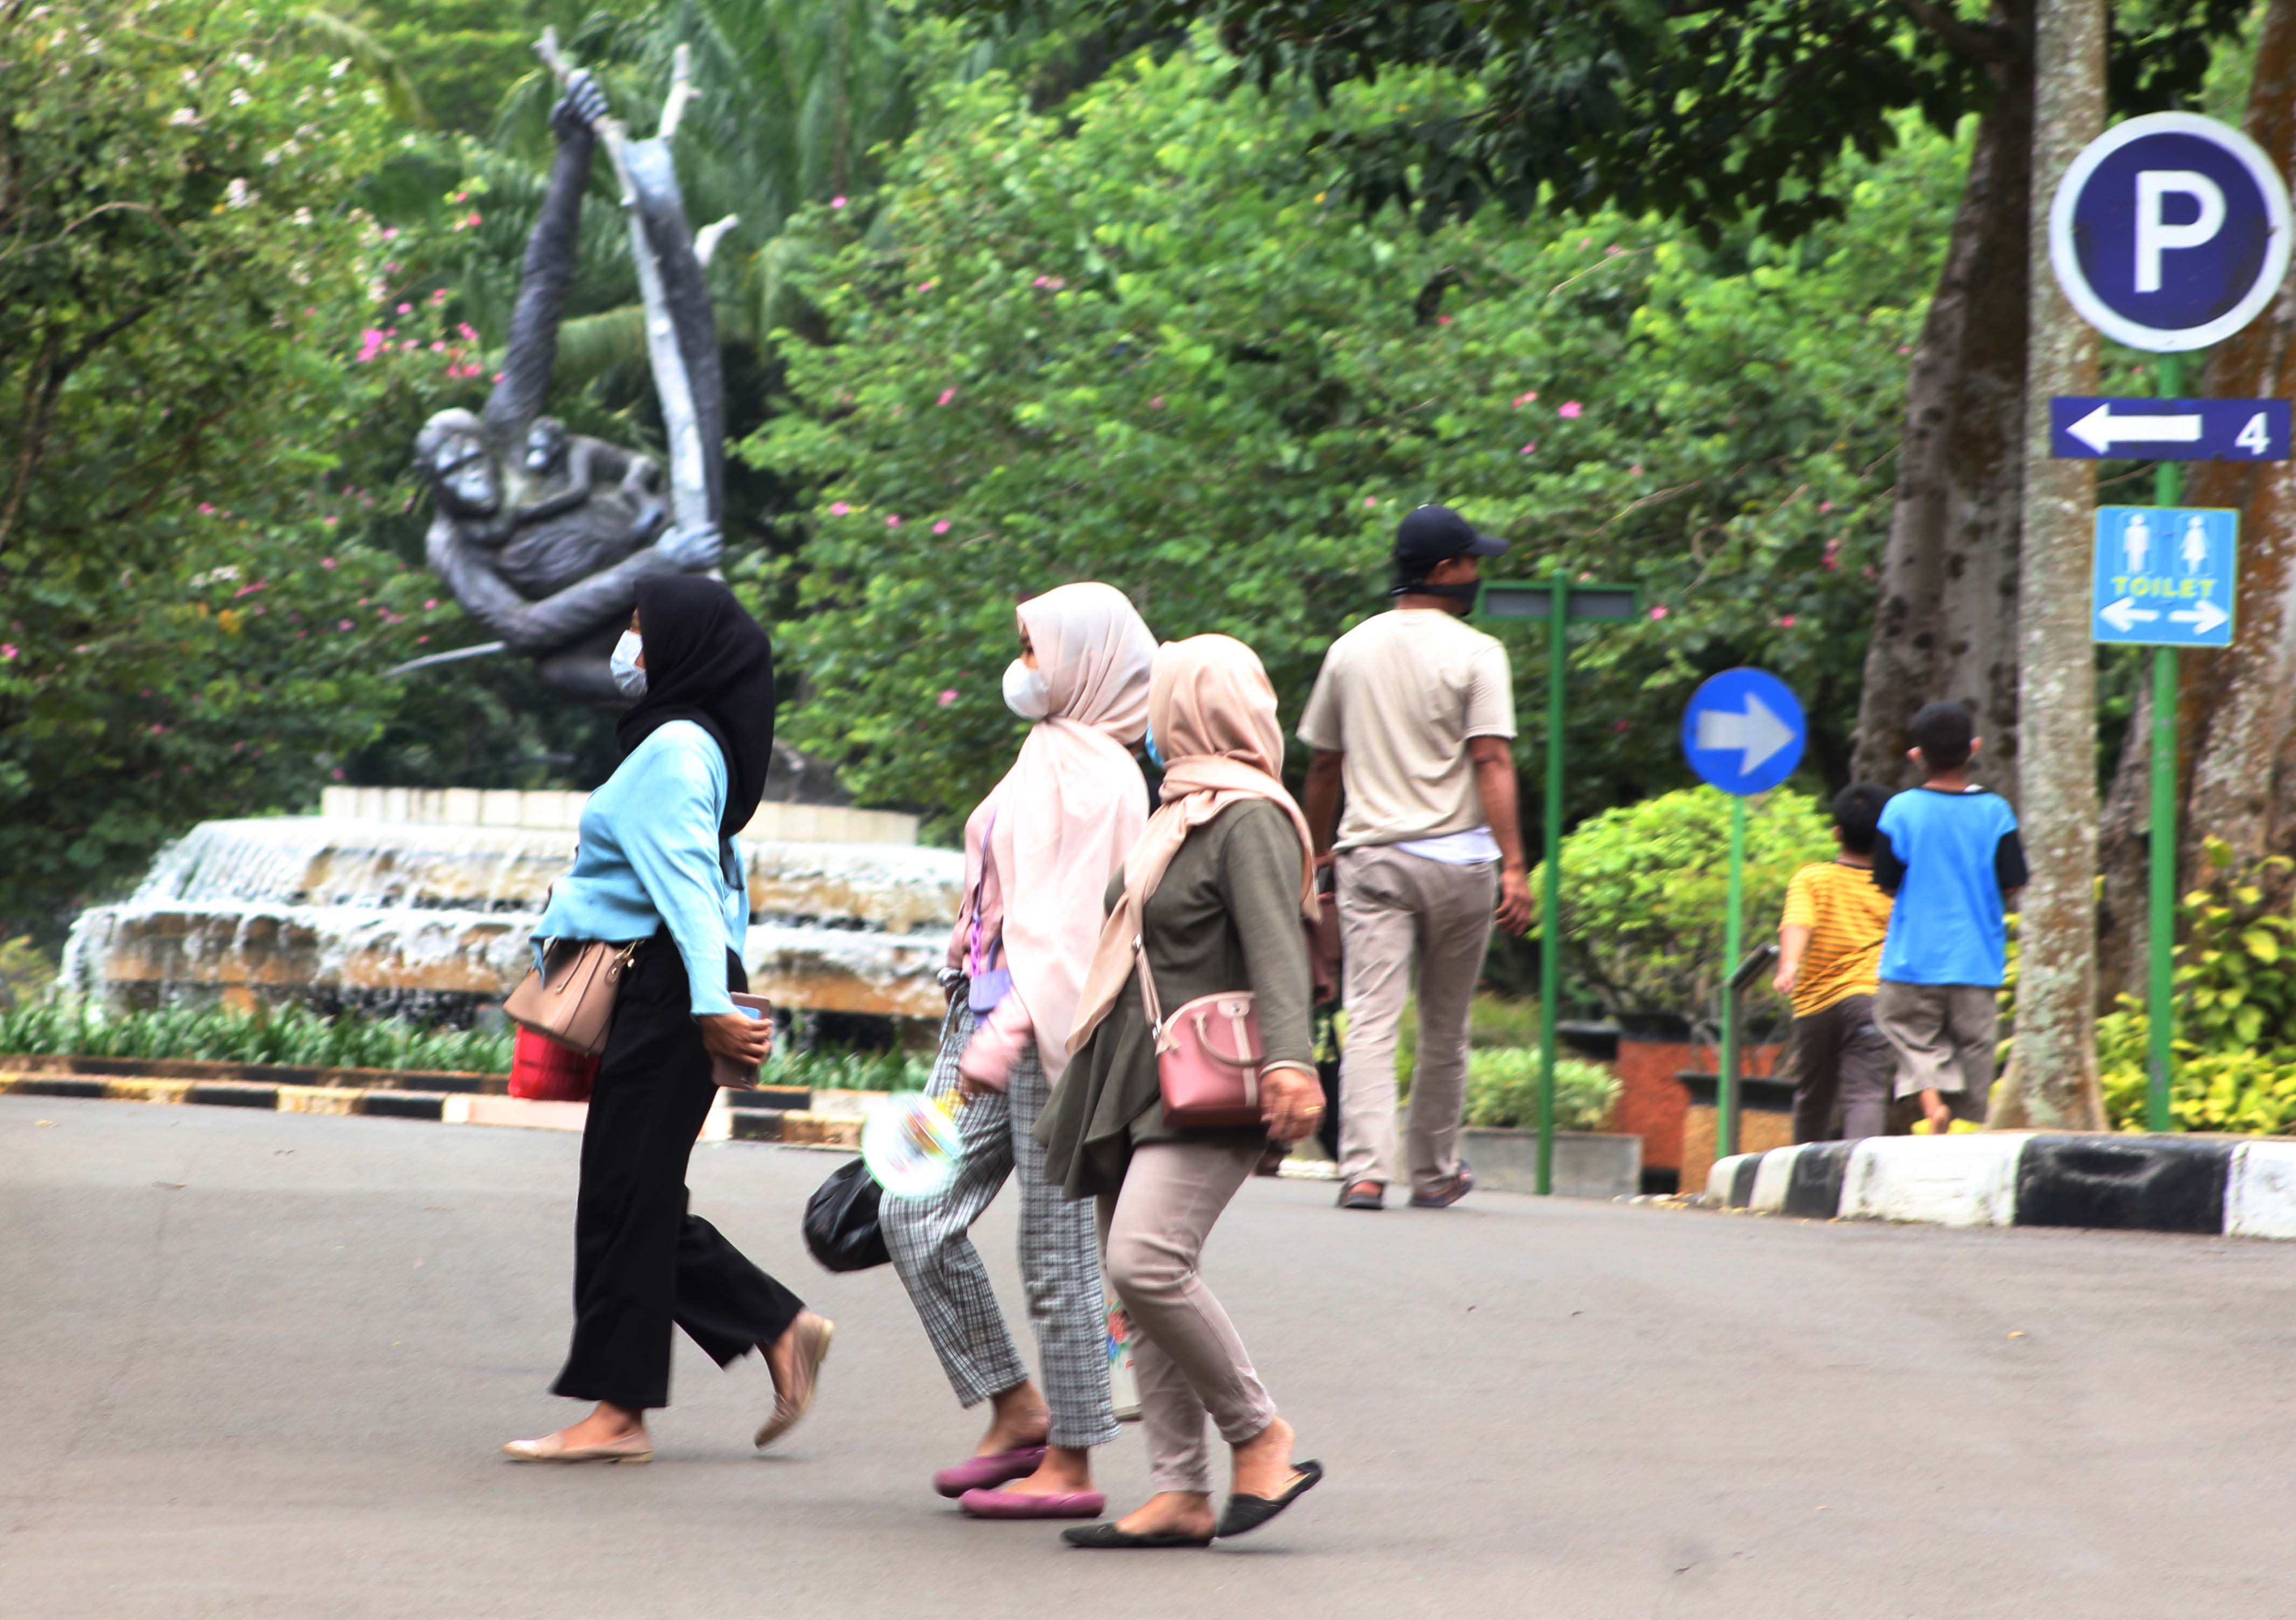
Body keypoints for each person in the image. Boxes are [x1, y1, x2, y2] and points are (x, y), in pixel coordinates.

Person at [503, 575, 832, 1464]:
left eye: (641, 629)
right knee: (632, 1198)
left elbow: (688, 886)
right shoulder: (705, 747)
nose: (628, 646)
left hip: (668, 992)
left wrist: (712, 1004)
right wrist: (719, 983)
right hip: (678, 985)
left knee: (625, 1200)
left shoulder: (673, 749)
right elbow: (722, 883)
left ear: (684, 645)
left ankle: (618, 1415)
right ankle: (775, 1325)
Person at [1039, 634, 1326, 1549]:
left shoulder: (1250, 819)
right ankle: (1180, 1489)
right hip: (1135, 1078)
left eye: (1160, 700)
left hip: (1210, 1081)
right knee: (1143, 1289)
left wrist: (1293, 1062)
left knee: (1147, 1261)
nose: (1151, 720)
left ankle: (1261, 1435)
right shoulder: (1180, 811)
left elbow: (1279, 950)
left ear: (1190, 708)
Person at [881, 583, 1154, 1520]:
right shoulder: (1048, 754)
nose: (1024, 668)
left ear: (1085, 660)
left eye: (1036, 651)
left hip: (1050, 1038)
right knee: (910, 1212)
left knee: (1055, 1250)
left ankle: (1072, 1462)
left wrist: (999, 1037)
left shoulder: (1106, 780)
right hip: (986, 1021)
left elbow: (1078, 937)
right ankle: (1016, 1406)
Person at [1299, 504, 1534, 1213]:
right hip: (1461, 863)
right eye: (1470, 562)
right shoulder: (1477, 652)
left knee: (1371, 1014)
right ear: (1442, 572)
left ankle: (1365, 1171)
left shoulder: (1350, 650)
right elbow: (1491, 758)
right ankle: (1432, 1169)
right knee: (1445, 1023)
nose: (1477, 574)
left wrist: (1316, 854)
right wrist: (1515, 865)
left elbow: (1323, 767)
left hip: (1374, 858)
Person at [1870, 702, 2028, 1135]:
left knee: (1909, 1033)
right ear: (1974, 749)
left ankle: (1931, 1100)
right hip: (1976, 958)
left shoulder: (1899, 811)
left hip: (1912, 956)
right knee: (1975, 1048)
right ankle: (1966, 1128)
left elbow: (1885, 881)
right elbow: (2014, 881)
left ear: (1916, 756)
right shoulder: (1996, 811)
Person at [1774, 783, 1897, 1144]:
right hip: (1870, 1000)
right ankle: (1859, 1179)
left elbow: (1798, 921)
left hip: (1815, 1004)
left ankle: (1802, 1176)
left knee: (1814, 1095)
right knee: (1866, 1093)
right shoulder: (1894, 887)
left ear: (1836, 833)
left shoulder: (1812, 878)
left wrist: (1790, 965)